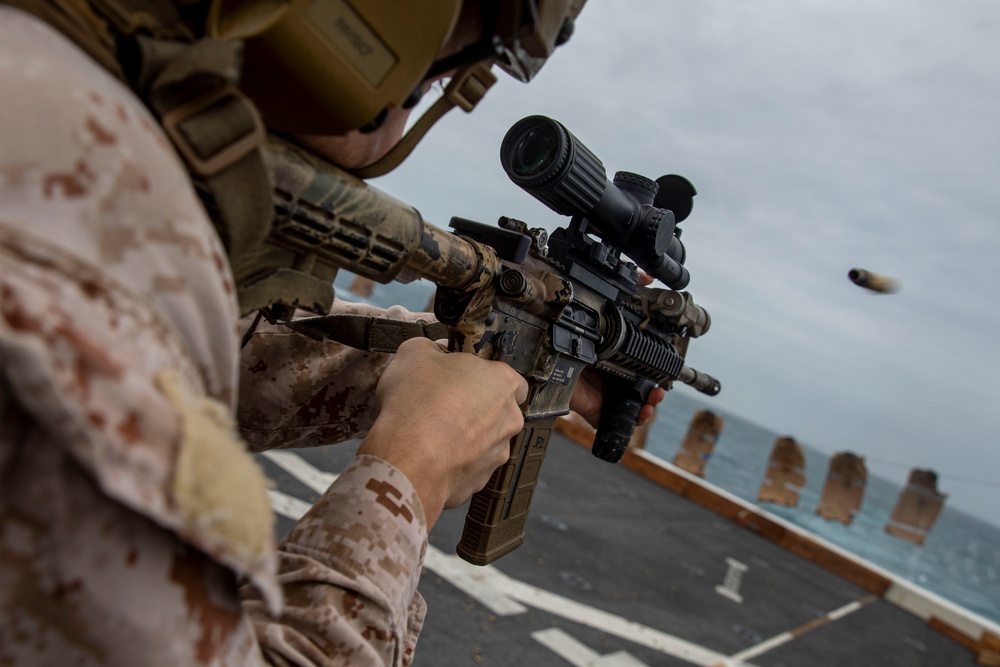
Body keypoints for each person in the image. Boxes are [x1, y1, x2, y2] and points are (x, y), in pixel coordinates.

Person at [0, 1, 664, 665]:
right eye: (463, 54)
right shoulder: (60, 240)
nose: (427, 97)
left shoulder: (64, 114)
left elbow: (217, 354)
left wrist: (490, 355)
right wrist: (412, 472)